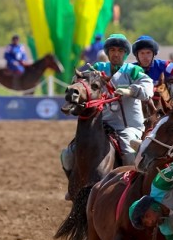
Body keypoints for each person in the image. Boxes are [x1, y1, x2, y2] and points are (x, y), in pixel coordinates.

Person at [60, 34, 154, 192]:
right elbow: (81, 81)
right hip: (102, 125)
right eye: (112, 50)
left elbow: (147, 87)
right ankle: (74, 188)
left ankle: (133, 190)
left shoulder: (133, 70)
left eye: (119, 50)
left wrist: (131, 90)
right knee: (68, 155)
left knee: (129, 153)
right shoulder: (98, 69)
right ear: (108, 52)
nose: (116, 54)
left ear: (125, 53)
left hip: (128, 127)